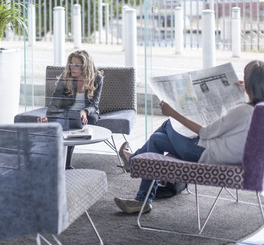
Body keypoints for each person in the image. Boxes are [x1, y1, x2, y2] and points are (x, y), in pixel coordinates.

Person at [114, 60, 264, 214]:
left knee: (168, 124)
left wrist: (174, 113)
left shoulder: (243, 112)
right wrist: (248, 90)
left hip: (206, 155)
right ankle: (141, 197)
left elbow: (205, 133)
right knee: (157, 139)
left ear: (250, 83)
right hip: (227, 157)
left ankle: (134, 165)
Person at [38, 50, 103, 169]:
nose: (72, 67)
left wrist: (84, 111)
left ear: (85, 67)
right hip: (67, 112)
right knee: (67, 120)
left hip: (87, 113)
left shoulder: (97, 78)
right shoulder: (66, 77)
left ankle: (64, 164)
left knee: (79, 120)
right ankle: (62, 163)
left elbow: (94, 105)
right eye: (71, 64)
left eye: (77, 65)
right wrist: (49, 116)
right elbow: (55, 101)